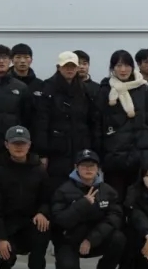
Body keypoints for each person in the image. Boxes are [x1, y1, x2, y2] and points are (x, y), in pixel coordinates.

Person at [50, 149, 125, 269]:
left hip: (95, 240)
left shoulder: (108, 191)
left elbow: (114, 218)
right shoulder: (63, 190)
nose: (88, 169)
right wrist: (82, 204)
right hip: (70, 240)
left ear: (98, 168)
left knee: (118, 237)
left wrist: (91, 239)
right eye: (84, 166)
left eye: (92, 166)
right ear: (76, 167)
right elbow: (60, 220)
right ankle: (64, 259)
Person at [0, 125, 51, 269]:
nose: (19, 147)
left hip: (30, 221)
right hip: (7, 224)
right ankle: (5, 261)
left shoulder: (39, 170)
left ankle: (37, 268)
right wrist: (0, 238)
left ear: (29, 145)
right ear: (6, 144)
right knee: (6, 257)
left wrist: (42, 212)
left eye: (23, 143)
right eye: (15, 143)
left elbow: (46, 199)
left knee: (43, 225)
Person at [96, 50, 148, 197]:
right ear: (112, 68)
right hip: (114, 157)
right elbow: (98, 124)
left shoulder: (143, 89)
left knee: (139, 200)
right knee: (115, 200)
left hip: (141, 155)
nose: (123, 70)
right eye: (119, 65)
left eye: (127, 65)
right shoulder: (105, 91)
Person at [35, 52, 101, 183]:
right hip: (56, 150)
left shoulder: (85, 90)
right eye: (66, 66)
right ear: (58, 67)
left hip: (81, 148)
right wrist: (42, 153)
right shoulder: (47, 88)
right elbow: (41, 123)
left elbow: (92, 121)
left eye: (73, 66)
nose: (70, 69)